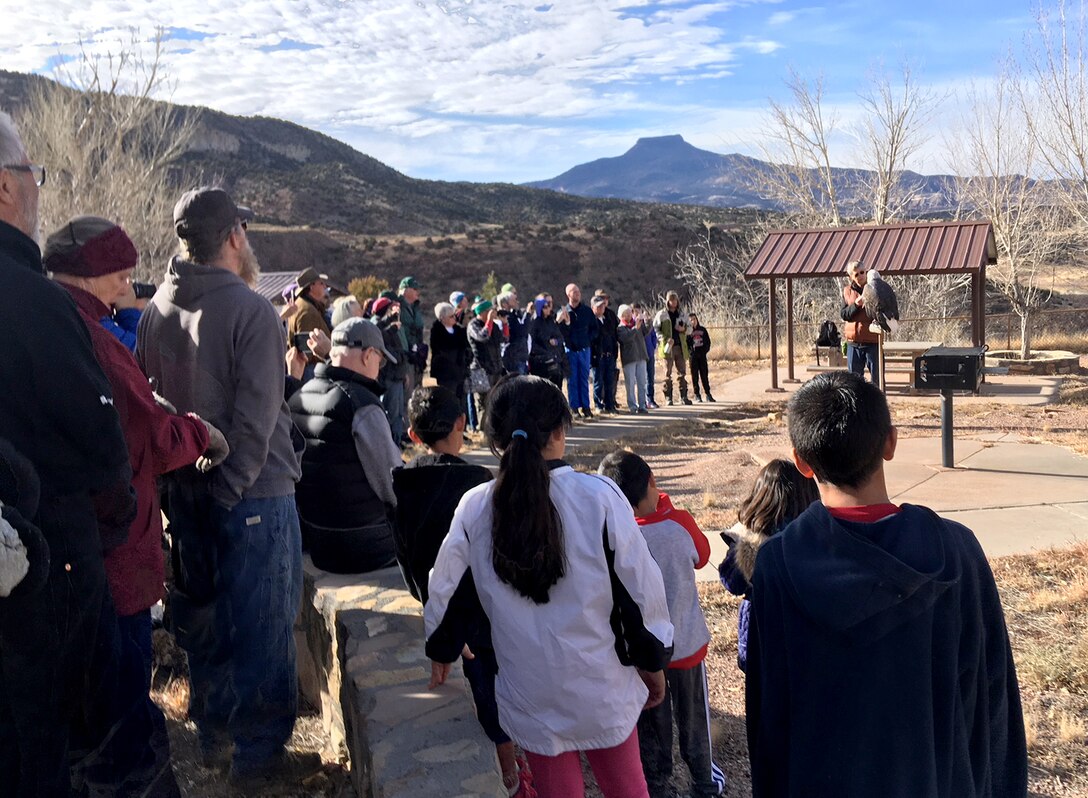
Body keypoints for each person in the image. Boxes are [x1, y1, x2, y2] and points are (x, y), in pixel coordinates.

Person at [746, 370, 1027, 797]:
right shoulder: (957, 552)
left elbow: (769, 719)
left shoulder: (776, 566)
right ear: (891, 442)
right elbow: (994, 698)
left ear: (801, 462)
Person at [45, 216, 232, 794]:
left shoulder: (43, 320)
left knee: (89, 703)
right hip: (117, 550)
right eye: (122, 273)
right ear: (98, 275)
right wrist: (199, 432)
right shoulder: (98, 339)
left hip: (63, 548)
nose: (129, 283)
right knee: (123, 700)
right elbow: (149, 437)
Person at [425, 375, 674, 798]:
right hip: (601, 687)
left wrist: (442, 646)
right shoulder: (599, 496)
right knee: (628, 788)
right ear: (560, 432)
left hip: (530, 691)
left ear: (496, 439)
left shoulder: (475, 506)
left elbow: (447, 590)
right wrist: (652, 659)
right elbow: (640, 591)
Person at [138, 186, 307, 784]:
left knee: (205, 622)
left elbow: (149, 410)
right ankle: (259, 760)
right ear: (234, 235)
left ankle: (213, 737)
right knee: (264, 625)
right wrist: (229, 490)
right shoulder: (253, 311)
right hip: (252, 493)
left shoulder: (156, 308)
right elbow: (257, 420)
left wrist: (189, 493)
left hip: (186, 494)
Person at [0, 109, 137, 795]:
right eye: (34, 173)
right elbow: (99, 438)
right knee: (50, 745)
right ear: (4, 188)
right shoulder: (34, 303)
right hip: (43, 570)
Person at [390, 387, 530, 794]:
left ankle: (508, 764)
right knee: (495, 681)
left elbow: (405, 553)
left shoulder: (401, 482)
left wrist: (433, 611)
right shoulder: (477, 481)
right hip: (480, 608)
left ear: (413, 436)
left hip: (438, 601)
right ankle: (513, 767)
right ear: (461, 425)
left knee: (480, 682)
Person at [599, 451, 726, 798]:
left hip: (642, 652)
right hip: (685, 644)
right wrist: (667, 508)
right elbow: (702, 557)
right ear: (652, 482)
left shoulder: (615, 537)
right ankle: (703, 782)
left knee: (653, 723)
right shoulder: (679, 523)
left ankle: (657, 786)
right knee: (694, 719)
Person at [289, 317, 401, 574]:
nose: (379, 368)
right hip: (366, 546)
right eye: (380, 360)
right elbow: (393, 485)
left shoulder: (299, 396)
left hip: (316, 541)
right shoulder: (362, 404)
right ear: (368, 355)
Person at [717, 459, 818, 673]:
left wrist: (736, 552)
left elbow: (731, 582)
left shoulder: (748, 538)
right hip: (803, 635)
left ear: (760, 497)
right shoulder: (812, 534)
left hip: (758, 634)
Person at [371, 296, 410, 445]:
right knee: (391, 412)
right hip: (389, 375)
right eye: (389, 308)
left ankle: (397, 441)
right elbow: (381, 337)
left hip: (397, 375)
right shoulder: (376, 324)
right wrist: (392, 325)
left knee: (398, 412)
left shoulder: (388, 326)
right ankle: (392, 443)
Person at [561, 282, 598, 419]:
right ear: (568, 294)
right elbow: (561, 332)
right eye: (574, 291)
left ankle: (586, 407)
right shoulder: (564, 312)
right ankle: (574, 408)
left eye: (578, 291)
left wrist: (588, 340)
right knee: (572, 380)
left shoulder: (587, 311)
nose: (577, 293)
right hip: (570, 350)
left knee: (584, 379)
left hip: (584, 349)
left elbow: (595, 329)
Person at [841, 259, 880, 384]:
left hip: (873, 342)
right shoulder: (847, 291)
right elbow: (844, 315)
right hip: (853, 343)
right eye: (856, 274)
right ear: (851, 276)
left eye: (862, 272)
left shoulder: (875, 288)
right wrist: (856, 305)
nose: (860, 276)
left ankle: (877, 403)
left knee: (877, 380)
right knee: (854, 382)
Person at [288, 267, 333, 374]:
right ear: (311, 286)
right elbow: (306, 352)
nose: (325, 286)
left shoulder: (303, 305)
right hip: (312, 369)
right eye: (321, 283)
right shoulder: (307, 311)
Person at [467, 298, 506, 419]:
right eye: (489, 311)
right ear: (482, 312)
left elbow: (504, 339)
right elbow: (483, 336)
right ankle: (483, 432)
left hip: (495, 368)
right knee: (484, 403)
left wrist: (504, 323)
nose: (493, 313)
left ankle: (494, 432)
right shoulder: (473, 325)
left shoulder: (493, 325)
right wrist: (489, 321)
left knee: (497, 402)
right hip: (480, 369)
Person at [654, 291, 691, 406]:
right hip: (667, 347)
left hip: (680, 346)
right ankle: (668, 398)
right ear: (667, 301)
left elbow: (690, 328)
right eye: (671, 300)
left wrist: (683, 330)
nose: (673, 302)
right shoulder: (662, 314)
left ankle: (683, 396)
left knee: (682, 372)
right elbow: (656, 329)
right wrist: (663, 339)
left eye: (675, 300)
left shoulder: (682, 314)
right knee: (667, 373)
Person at [430, 301, 471, 402]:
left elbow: (467, 349)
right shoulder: (437, 332)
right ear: (442, 318)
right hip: (446, 375)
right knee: (449, 401)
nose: (455, 318)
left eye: (454, 315)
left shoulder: (460, 331)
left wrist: (466, 360)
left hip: (461, 373)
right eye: (451, 316)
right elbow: (439, 353)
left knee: (462, 403)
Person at [528, 294, 567, 389]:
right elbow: (532, 343)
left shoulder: (550, 321)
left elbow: (560, 337)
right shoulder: (534, 323)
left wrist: (556, 342)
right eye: (545, 306)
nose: (549, 308)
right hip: (540, 363)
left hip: (555, 360)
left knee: (557, 389)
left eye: (549, 305)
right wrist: (546, 354)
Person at [616, 304, 649, 414]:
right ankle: (632, 406)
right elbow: (626, 339)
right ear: (622, 316)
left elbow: (646, 331)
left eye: (630, 312)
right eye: (627, 313)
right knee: (630, 384)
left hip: (641, 356)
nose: (630, 315)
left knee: (642, 382)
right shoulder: (620, 328)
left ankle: (642, 405)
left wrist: (647, 321)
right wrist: (635, 329)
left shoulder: (637, 324)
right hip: (629, 359)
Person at [591, 290, 619, 414]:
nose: (602, 308)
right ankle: (598, 404)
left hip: (609, 355)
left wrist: (614, 352)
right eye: (599, 306)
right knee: (598, 382)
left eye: (603, 305)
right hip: (598, 356)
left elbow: (614, 335)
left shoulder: (609, 317)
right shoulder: (591, 321)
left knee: (609, 381)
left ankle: (610, 404)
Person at [397, 276, 426, 394]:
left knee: (418, 392)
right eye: (414, 289)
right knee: (408, 393)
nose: (417, 292)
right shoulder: (397, 307)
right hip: (406, 355)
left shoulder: (415, 307)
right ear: (405, 290)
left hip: (417, 354)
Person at [498, 288, 530, 376]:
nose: (517, 302)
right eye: (514, 300)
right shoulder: (506, 317)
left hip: (520, 356)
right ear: (505, 304)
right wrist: (528, 314)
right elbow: (522, 331)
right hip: (513, 358)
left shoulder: (514, 315)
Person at [634, 303, 659, 409]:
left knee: (650, 378)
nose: (638, 314)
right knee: (641, 379)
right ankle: (642, 401)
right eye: (635, 312)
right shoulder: (634, 325)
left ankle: (650, 399)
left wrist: (653, 347)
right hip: (639, 355)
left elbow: (653, 336)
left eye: (639, 311)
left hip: (650, 353)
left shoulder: (647, 324)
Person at [687, 312, 715, 403]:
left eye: (694, 319)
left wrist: (704, 351)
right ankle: (697, 394)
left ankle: (708, 394)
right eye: (691, 320)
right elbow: (686, 344)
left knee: (704, 375)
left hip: (702, 355)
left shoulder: (702, 330)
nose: (693, 321)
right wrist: (690, 353)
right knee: (694, 376)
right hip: (693, 357)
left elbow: (708, 342)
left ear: (697, 319)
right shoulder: (688, 332)